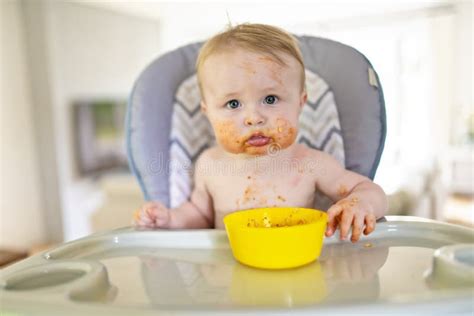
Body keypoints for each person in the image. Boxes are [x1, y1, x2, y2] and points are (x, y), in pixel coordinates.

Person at [133, 23, 388, 243]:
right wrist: (170, 219)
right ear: (207, 111)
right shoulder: (210, 165)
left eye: (270, 98)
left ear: (300, 103)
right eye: (233, 104)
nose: (254, 118)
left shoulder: (311, 164)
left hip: (297, 274)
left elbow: (369, 190)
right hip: (231, 283)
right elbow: (199, 215)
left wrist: (362, 203)